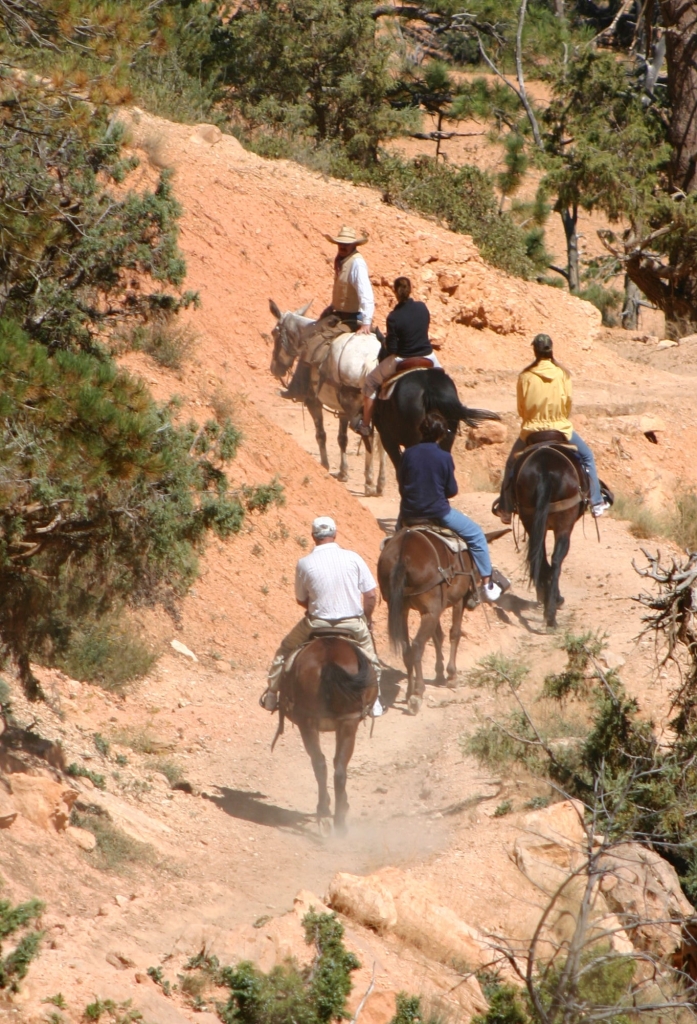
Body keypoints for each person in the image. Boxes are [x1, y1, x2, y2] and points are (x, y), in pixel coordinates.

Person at [260, 516, 382, 713]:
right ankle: (375, 700)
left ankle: (272, 694)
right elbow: (370, 595)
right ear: (335, 534)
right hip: (352, 624)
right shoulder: (354, 558)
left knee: (284, 650)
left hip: (317, 623)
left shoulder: (304, 563)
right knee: (372, 658)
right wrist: (366, 619)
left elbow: (301, 599)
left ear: (313, 536)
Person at [492, 333, 610, 525]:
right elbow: (568, 404)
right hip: (560, 428)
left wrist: (532, 420)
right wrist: (558, 419)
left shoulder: (525, 376)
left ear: (534, 351)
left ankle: (505, 508)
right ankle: (596, 502)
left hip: (532, 429)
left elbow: (521, 407)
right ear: (551, 350)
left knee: (511, 464)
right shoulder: (563, 374)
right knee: (587, 456)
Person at [398, 412, 506, 603]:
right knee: (476, 535)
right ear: (441, 435)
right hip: (437, 513)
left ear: (421, 431)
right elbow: (451, 490)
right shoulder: (444, 457)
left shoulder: (408, 453)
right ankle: (487, 584)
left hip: (409, 513)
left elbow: (402, 484)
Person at [282, 225, 375, 400]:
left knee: (311, 341)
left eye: (346, 244)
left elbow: (366, 294)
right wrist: (332, 306)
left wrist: (366, 322)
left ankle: (300, 389)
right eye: (340, 243)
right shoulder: (342, 260)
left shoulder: (356, 263)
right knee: (309, 334)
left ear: (354, 245)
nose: (342, 246)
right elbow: (346, 291)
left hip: (350, 318)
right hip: (339, 313)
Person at [354, 276, 440, 437]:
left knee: (371, 381)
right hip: (428, 356)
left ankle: (365, 425)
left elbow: (393, 348)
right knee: (444, 379)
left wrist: (387, 341)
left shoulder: (393, 317)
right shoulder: (422, 308)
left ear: (395, 293)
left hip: (403, 359)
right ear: (411, 289)